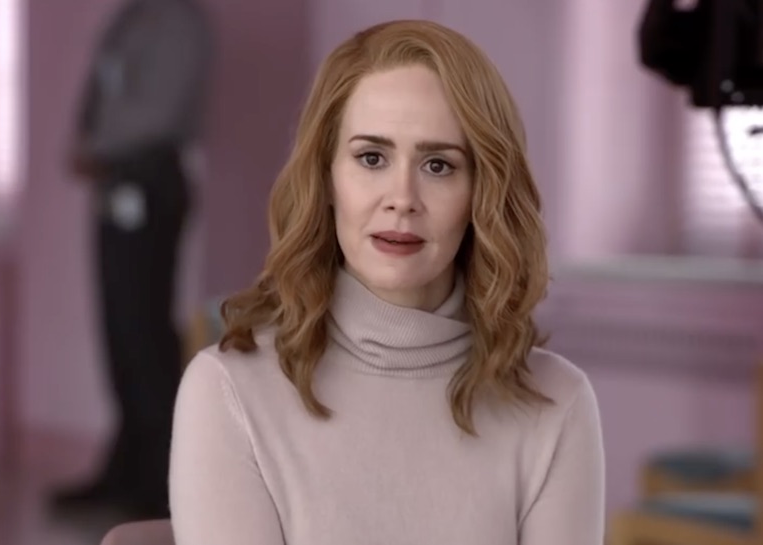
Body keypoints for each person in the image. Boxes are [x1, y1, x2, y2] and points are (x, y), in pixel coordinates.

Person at [168, 19, 605, 545]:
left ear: (482, 192)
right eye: (371, 158)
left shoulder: (557, 402)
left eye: (439, 165)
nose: (402, 198)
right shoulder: (228, 392)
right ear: (327, 180)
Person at [55, 0, 213, 519]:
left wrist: (100, 144)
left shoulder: (179, 21)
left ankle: (159, 475)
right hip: (115, 185)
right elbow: (104, 86)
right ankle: (126, 465)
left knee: (144, 330)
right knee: (119, 332)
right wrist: (85, 138)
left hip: (148, 184)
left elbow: (160, 111)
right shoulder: (130, 18)